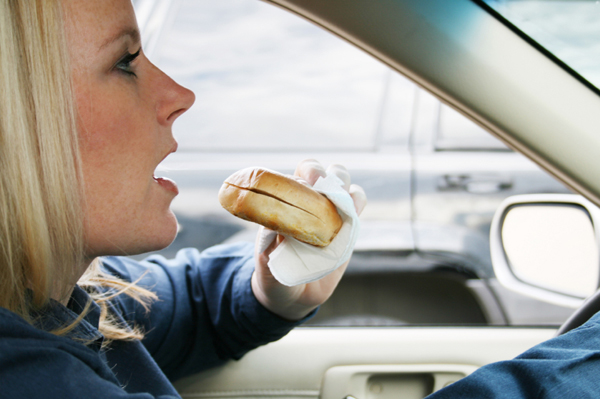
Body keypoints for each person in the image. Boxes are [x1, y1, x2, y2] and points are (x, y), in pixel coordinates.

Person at [0, 0, 367, 398]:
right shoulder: (28, 376)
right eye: (125, 62)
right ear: (15, 126)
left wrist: (268, 288)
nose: (182, 95)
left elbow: (186, 303)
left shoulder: (47, 294)